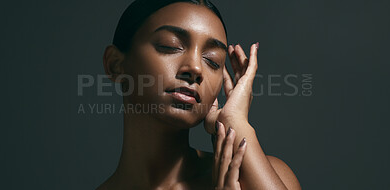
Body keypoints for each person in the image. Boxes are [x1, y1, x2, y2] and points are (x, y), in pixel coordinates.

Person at [97, 0, 301, 189]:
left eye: (212, 61)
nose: (195, 68)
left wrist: (234, 122)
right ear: (116, 65)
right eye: (171, 46)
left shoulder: (261, 177)